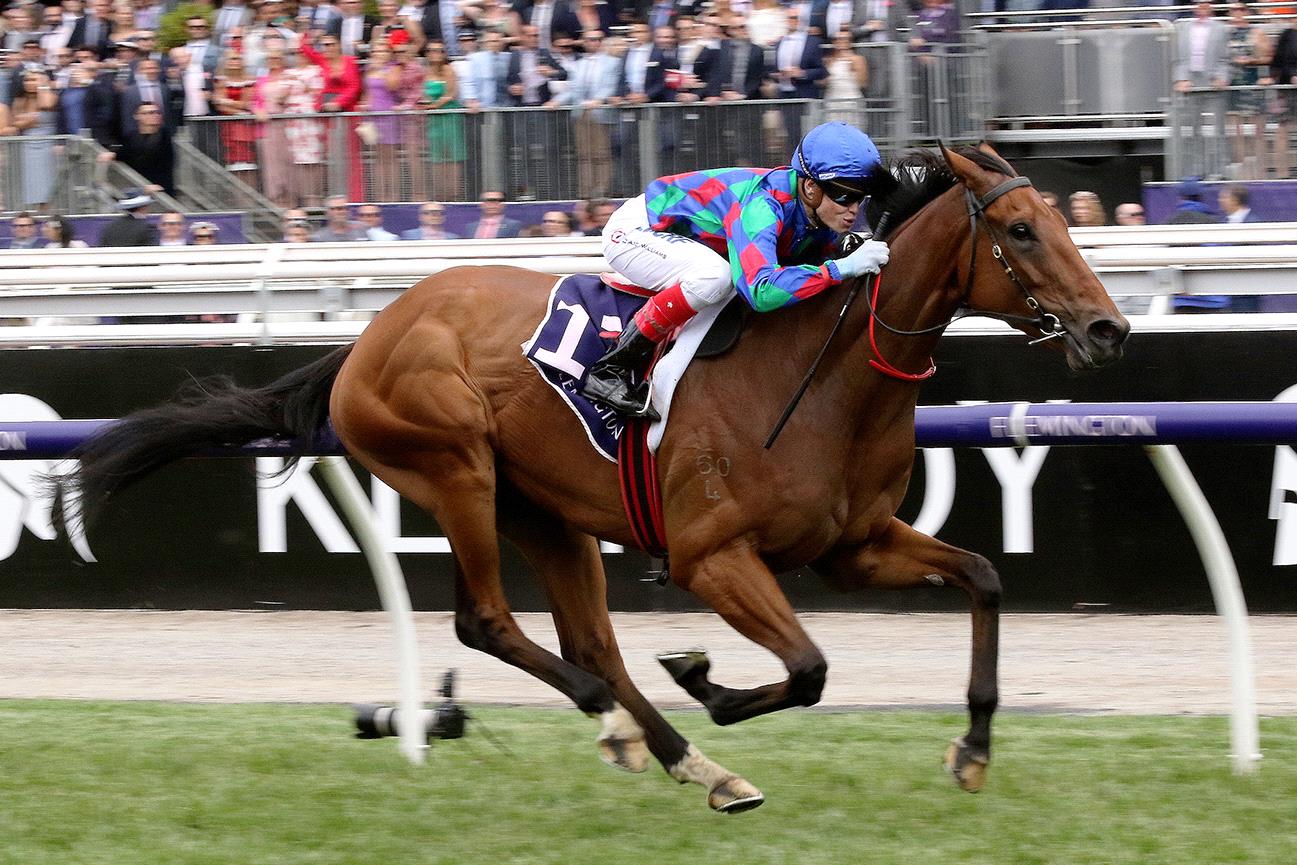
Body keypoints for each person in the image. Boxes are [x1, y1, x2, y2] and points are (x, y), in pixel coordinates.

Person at [582, 120, 891, 419]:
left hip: (681, 235)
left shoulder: (814, 211)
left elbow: (808, 263)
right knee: (715, 277)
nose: (854, 208)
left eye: (860, 197)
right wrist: (837, 269)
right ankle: (611, 368)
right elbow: (761, 290)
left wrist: (843, 253)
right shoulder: (763, 206)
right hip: (635, 231)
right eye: (844, 194)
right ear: (810, 187)